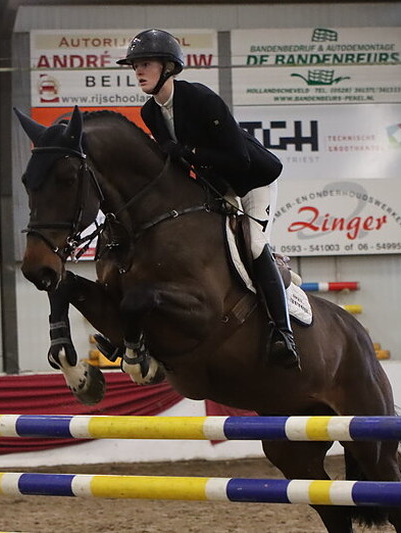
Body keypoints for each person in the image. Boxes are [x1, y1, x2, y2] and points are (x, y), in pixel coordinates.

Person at [117, 28, 300, 371]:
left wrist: (187, 152)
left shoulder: (200, 98)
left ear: (168, 67)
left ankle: (282, 331)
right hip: (217, 185)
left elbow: (238, 158)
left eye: (145, 64)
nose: (138, 71)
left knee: (255, 245)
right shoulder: (150, 113)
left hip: (252, 180)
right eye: (135, 66)